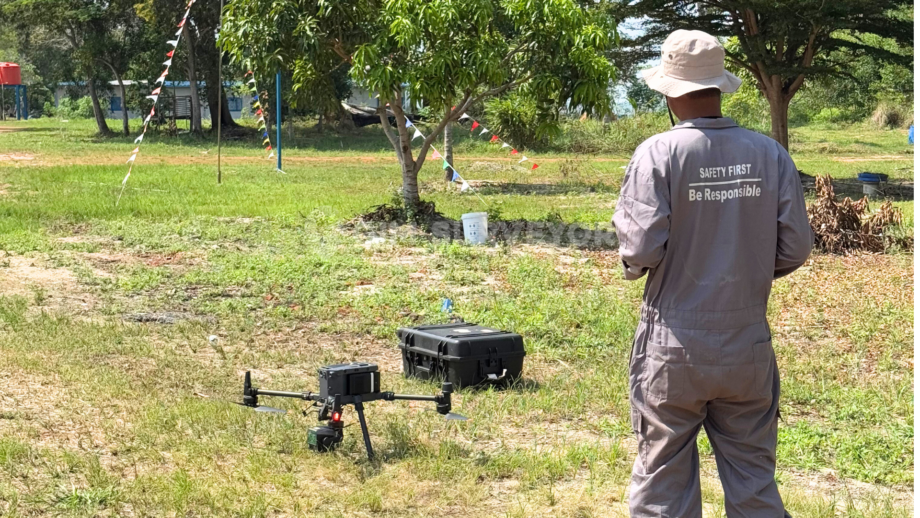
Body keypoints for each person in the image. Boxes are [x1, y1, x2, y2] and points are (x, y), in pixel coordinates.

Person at [613, 30, 814, 518]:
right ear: (720, 89)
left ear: (669, 92)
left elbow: (639, 250)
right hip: (747, 344)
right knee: (753, 482)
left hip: (673, 344)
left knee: (662, 486)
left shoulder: (657, 155)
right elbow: (796, 248)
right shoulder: (769, 154)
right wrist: (744, 265)